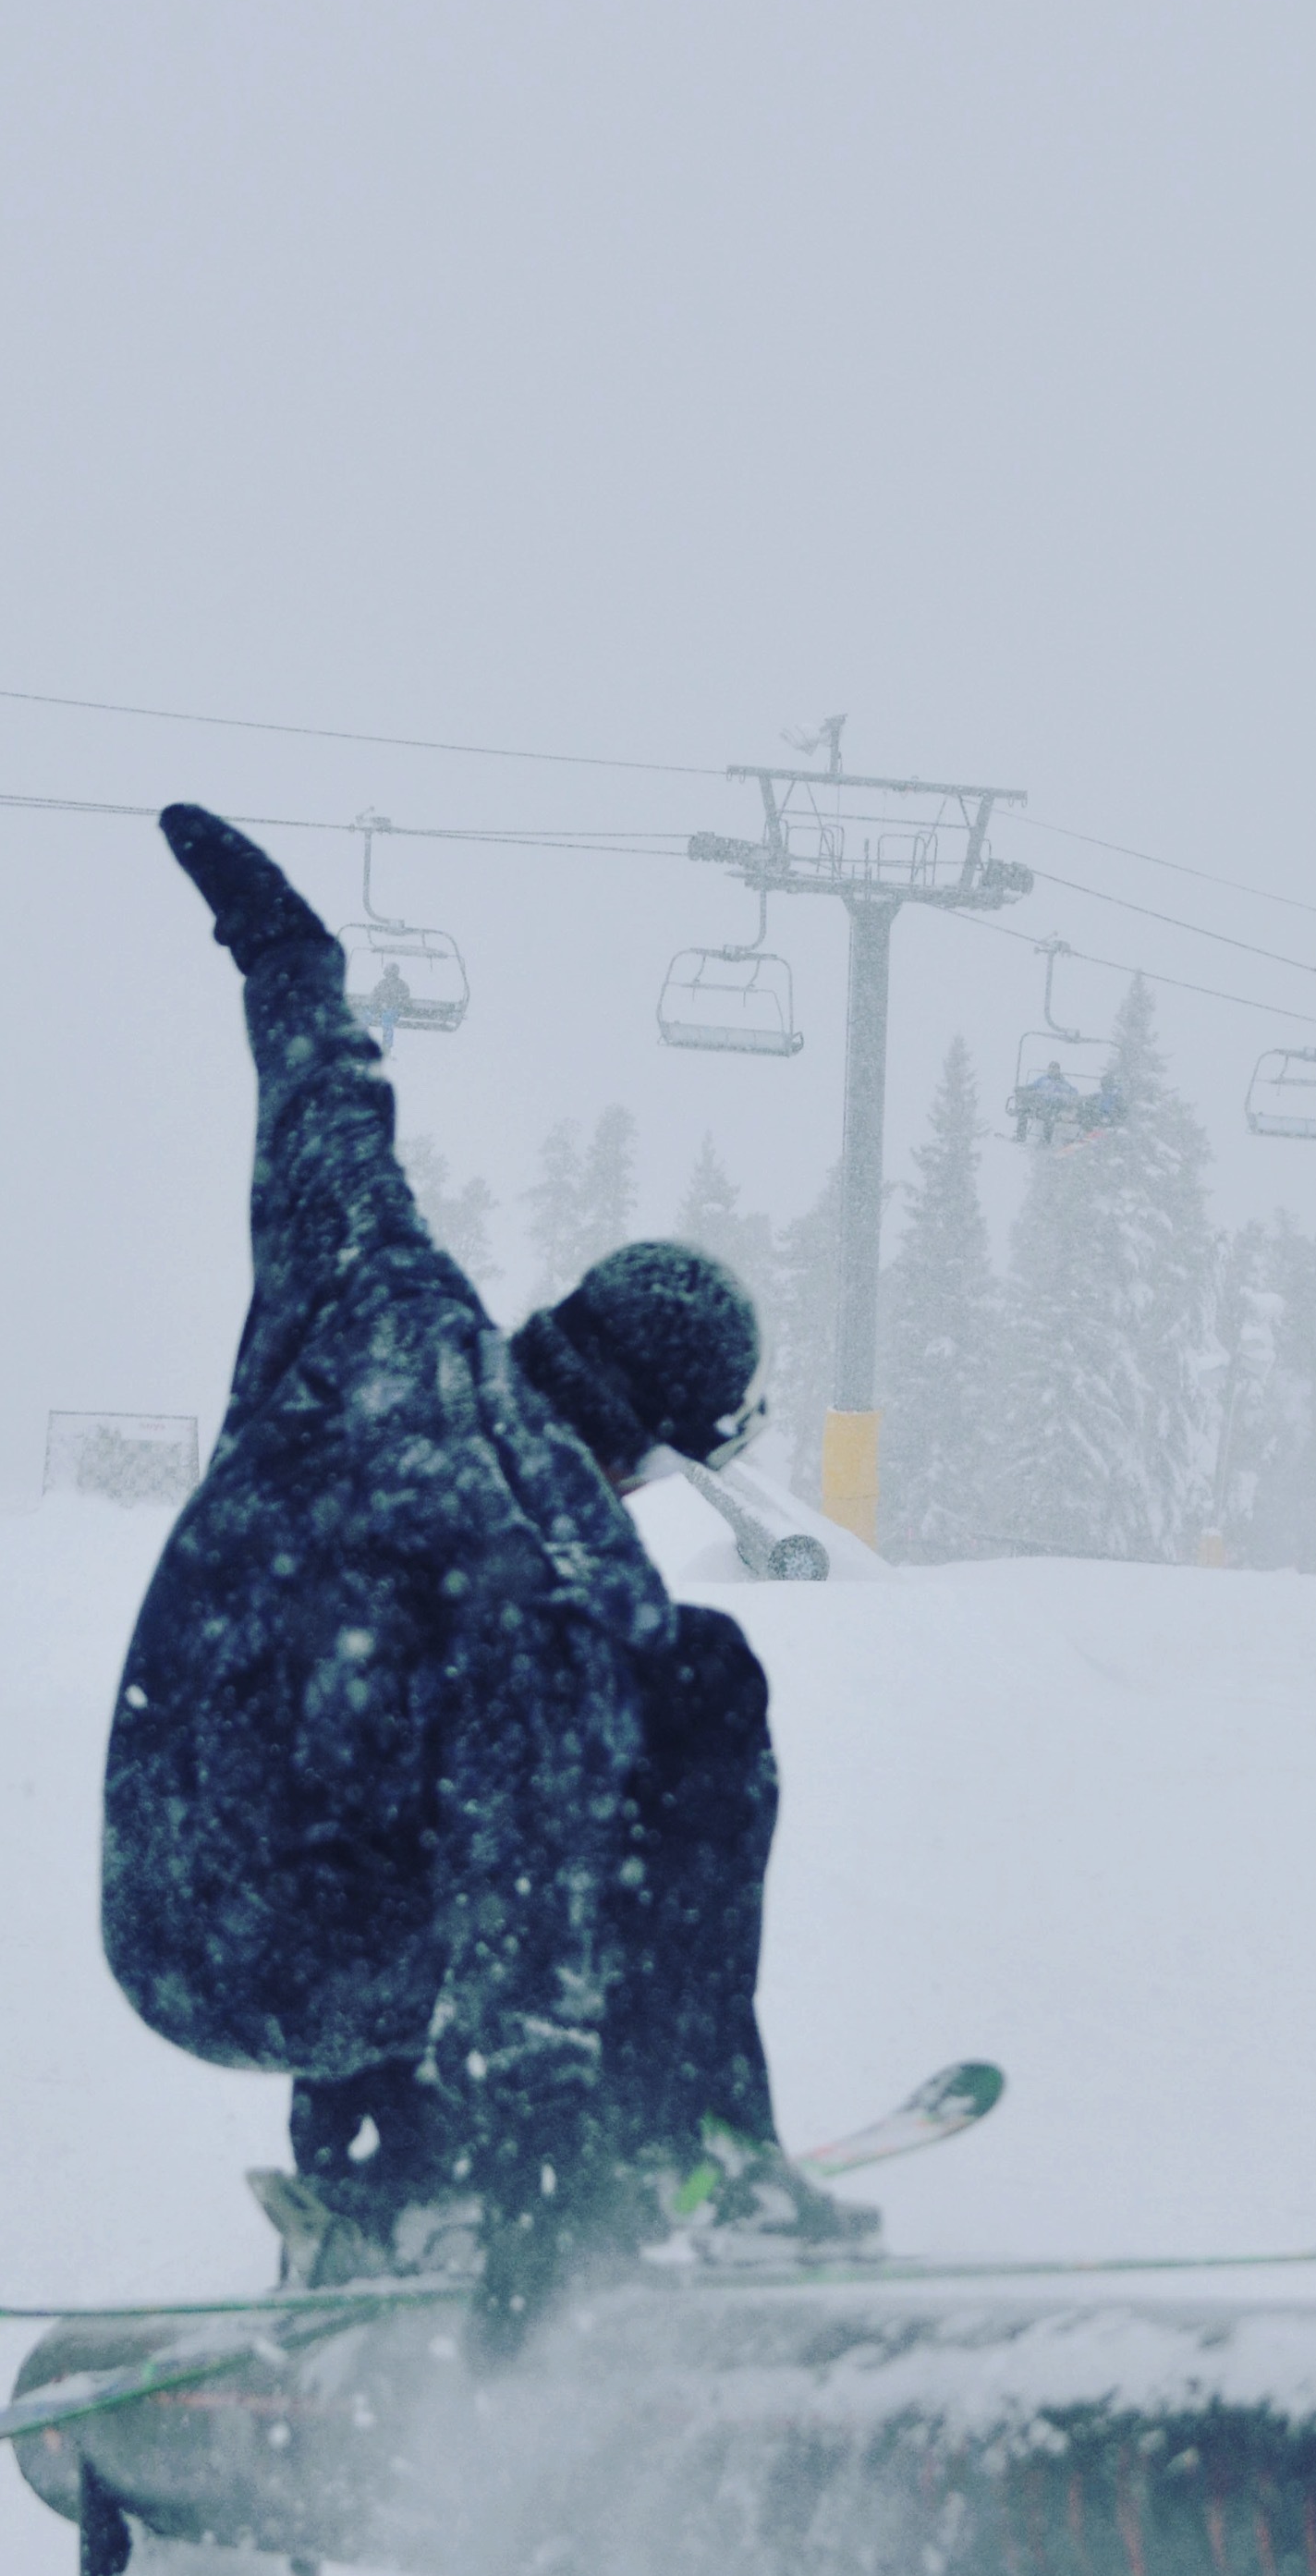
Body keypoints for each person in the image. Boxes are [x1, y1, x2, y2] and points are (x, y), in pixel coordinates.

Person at [102, 803, 868, 2325]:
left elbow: (320, 1103)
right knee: (698, 1691)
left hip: (153, 1905)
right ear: (662, 1445)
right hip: (305, 1972)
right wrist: (541, 2226)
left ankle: (378, 2164)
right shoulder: (571, 1582)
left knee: (390, 1721)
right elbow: (530, 1904)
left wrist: (291, 953)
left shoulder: (369, 1298)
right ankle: (685, 2151)